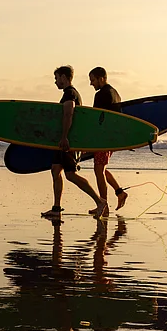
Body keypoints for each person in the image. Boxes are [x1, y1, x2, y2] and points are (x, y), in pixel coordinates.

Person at [41, 66, 107, 220]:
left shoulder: (70, 93)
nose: (55, 82)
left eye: (57, 78)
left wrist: (64, 137)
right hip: (62, 141)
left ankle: (100, 202)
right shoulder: (69, 93)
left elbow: (68, 114)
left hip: (67, 142)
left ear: (64, 77)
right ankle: (56, 208)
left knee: (70, 175)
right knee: (55, 171)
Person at [88, 67, 128, 215]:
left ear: (102, 78)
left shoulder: (101, 94)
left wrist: (89, 139)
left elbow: (96, 118)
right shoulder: (115, 93)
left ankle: (103, 205)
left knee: (99, 170)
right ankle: (119, 193)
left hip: (103, 139)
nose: (91, 83)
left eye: (93, 80)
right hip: (112, 138)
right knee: (101, 169)